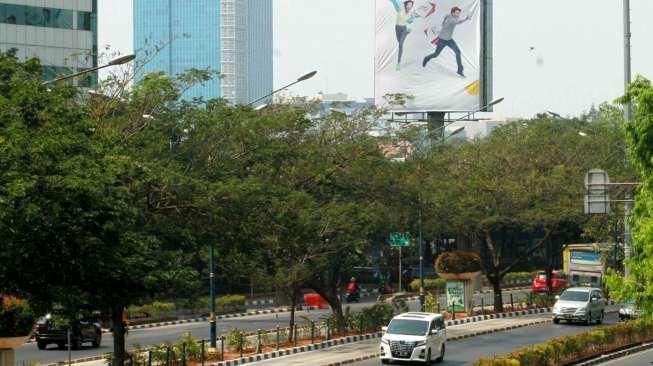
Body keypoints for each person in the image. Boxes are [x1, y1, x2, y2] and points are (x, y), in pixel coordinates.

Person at [422, 6, 471, 77]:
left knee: (458, 52)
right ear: (453, 13)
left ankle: (460, 71)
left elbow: (452, 18)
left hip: (449, 40)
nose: (458, 14)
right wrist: (466, 19)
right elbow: (458, 22)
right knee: (436, 54)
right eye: (457, 13)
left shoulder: (450, 16)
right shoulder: (451, 20)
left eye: (459, 13)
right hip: (442, 40)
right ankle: (426, 58)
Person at [389, 0, 417, 71]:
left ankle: (398, 63)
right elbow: (394, 2)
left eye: (411, 5)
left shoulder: (411, 13)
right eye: (408, 4)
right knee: (399, 42)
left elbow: (409, 22)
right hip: (397, 28)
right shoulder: (399, 9)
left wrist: (413, 16)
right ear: (405, 5)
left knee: (400, 44)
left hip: (404, 28)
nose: (410, 6)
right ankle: (407, 33)